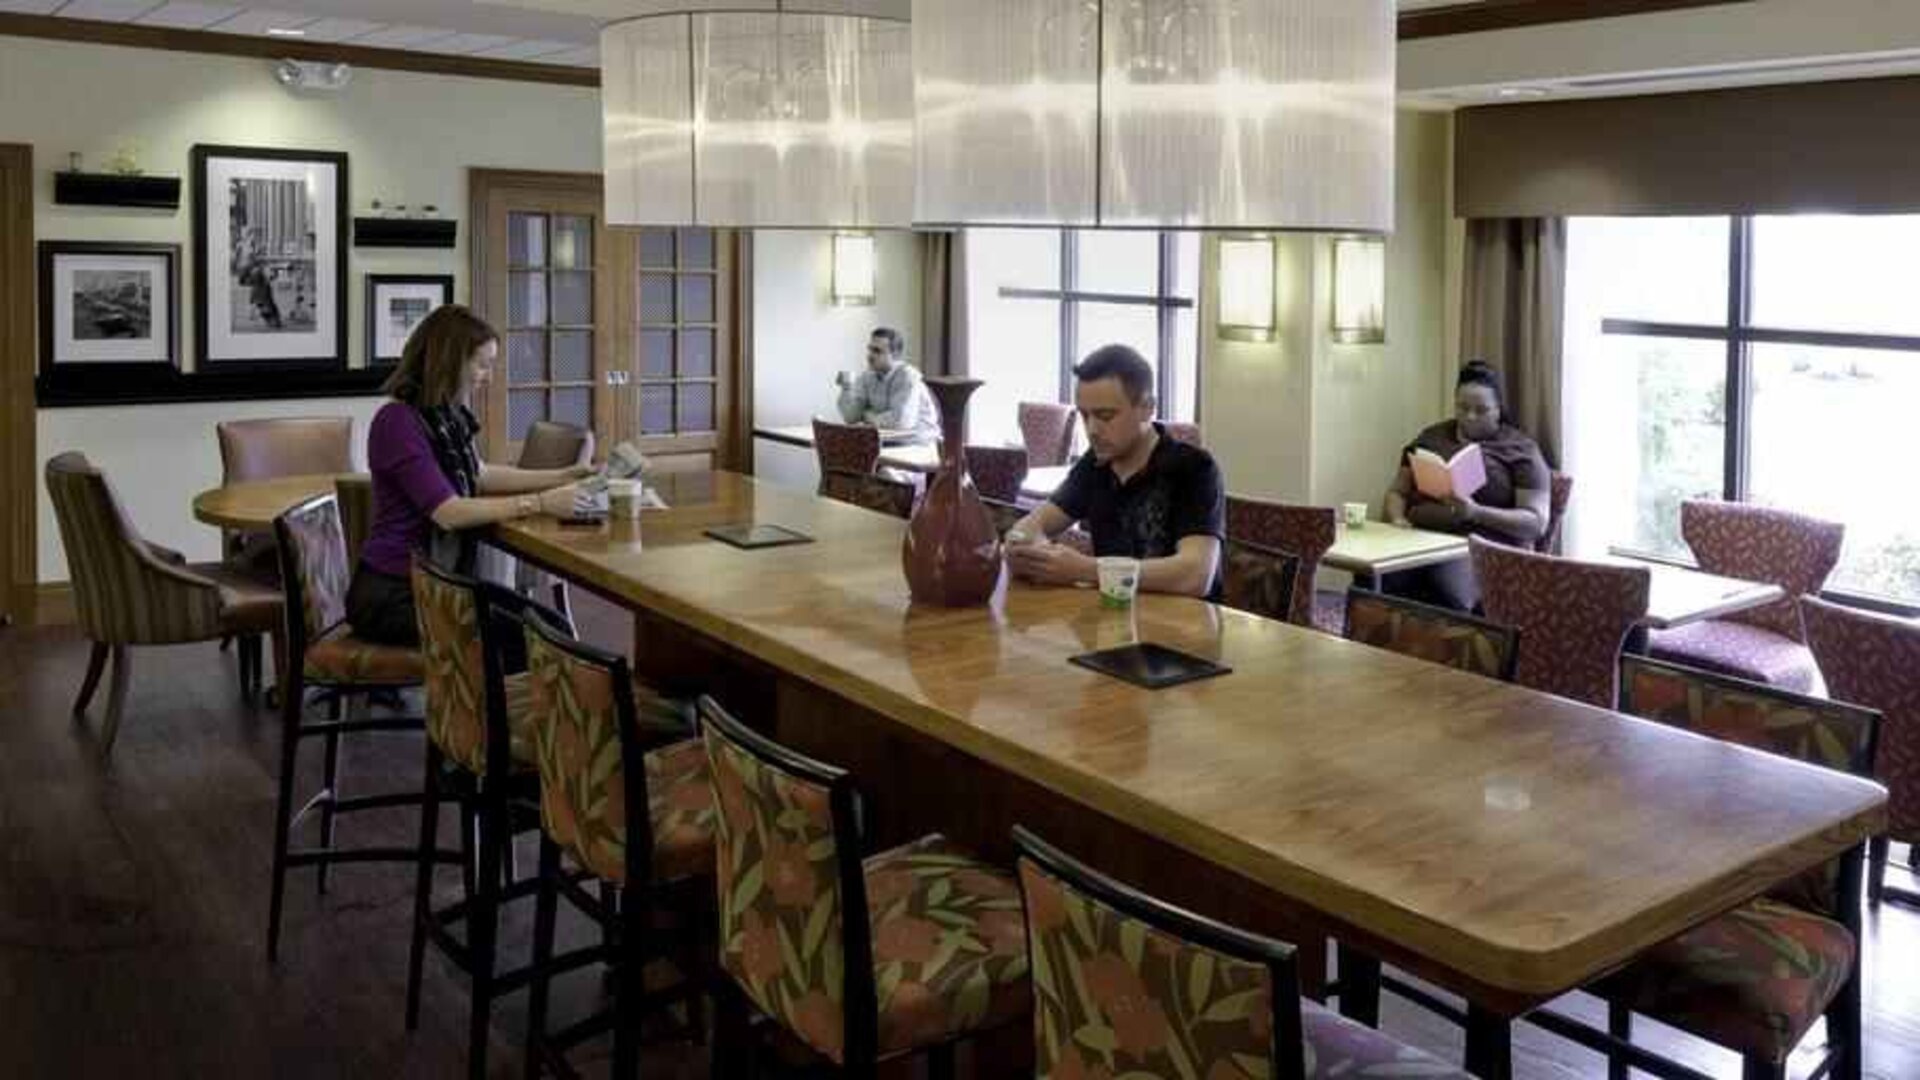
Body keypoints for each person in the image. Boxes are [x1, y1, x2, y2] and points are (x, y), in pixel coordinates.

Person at [345, 305, 591, 647]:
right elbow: (448, 512)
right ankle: (487, 701)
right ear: (449, 361)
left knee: (554, 628)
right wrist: (540, 503)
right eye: (482, 364)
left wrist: (562, 476)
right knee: (538, 640)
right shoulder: (397, 422)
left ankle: (490, 701)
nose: (488, 376)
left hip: (438, 584)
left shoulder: (446, 414)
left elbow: (480, 474)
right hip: (394, 593)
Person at [1005, 345, 1224, 600]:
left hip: (1184, 629)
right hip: (1112, 622)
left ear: (1146, 407)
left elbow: (1195, 576)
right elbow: (1037, 523)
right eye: (1085, 416)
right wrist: (1022, 544)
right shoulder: (1095, 464)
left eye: (1105, 416)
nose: (1092, 430)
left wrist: (1088, 570)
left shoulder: (1195, 468)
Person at [1380, 359, 1551, 610]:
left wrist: (1476, 513)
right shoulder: (1431, 437)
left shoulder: (1521, 450)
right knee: (1374, 577)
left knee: (1446, 587)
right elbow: (1397, 491)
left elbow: (1536, 523)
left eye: (1481, 410)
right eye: (1462, 408)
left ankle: (1452, 647)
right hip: (1421, 541)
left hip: (1482, 549)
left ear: (1498, 409)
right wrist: (1396, 519)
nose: (1470, 417)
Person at [834, 327, 939, 443]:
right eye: (870, 349)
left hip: (920, 444)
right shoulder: (868, 376)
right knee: (842, 447)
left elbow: (901, 422)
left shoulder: (908, 376)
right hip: (890, 442)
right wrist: (846, 388)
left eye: (877, 351)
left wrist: (868, 416)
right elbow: (851, 417)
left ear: (895, 354)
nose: (870, 355)